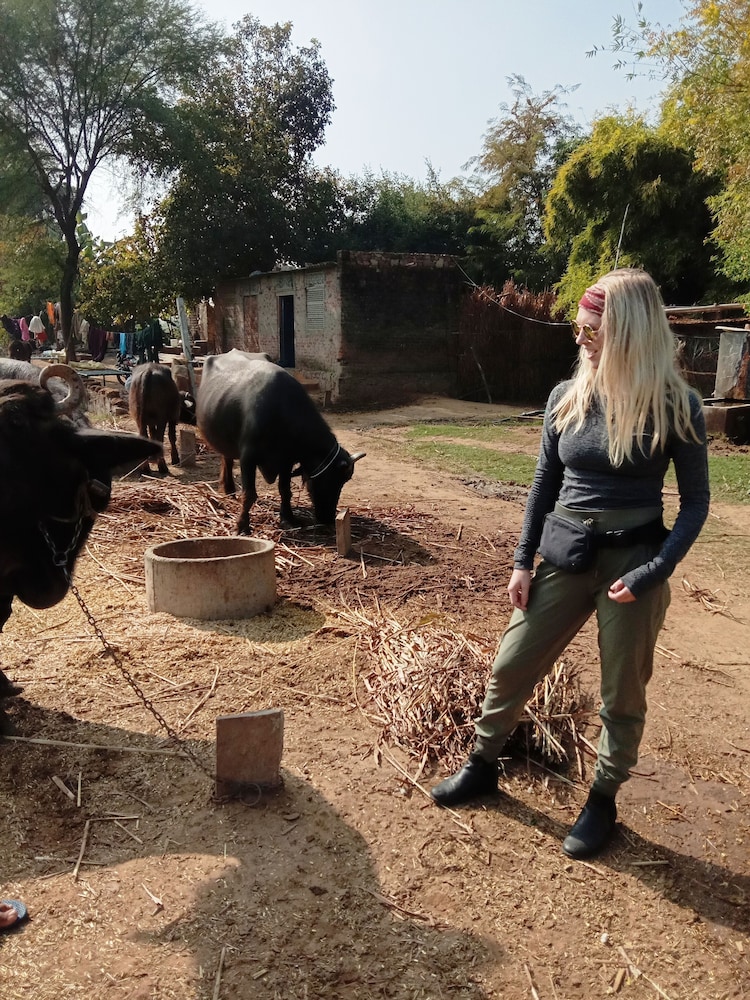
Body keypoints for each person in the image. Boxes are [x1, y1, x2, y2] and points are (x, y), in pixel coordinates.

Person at [430, 268, 710, 860]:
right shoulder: (566, 396)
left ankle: (602, 800)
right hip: (564, 554)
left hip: (633, 565)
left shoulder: (676, 405)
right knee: (510, 665)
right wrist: (521, 561)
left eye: (591, 330)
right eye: (578, 329)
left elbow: (695, 504)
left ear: (629, 332)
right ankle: (482, 765)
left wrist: (655, 571)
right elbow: (543, 485)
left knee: (622, 693)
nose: (579, 339)